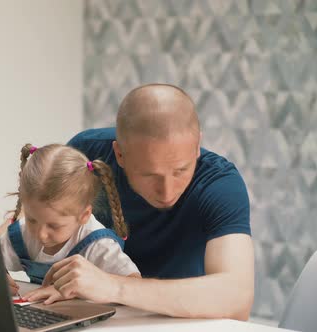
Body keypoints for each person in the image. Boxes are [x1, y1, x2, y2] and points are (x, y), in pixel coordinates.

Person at [36, 84, 254, 320]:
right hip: (94, 317)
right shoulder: (87, 153)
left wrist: (113, 286)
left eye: (181, 170)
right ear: (119, 154)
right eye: (149, 175)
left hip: (178, 323)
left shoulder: (220, 184)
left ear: (197, 146)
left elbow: (237, 300)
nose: (166, 191)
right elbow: (37, 219)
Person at [0, 143, 140, 304]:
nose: (41, 234)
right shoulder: (22, 233)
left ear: (84, 216)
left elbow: (135, 284)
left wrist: (76, 291)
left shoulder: (99, 245)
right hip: (43, 314)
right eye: (32, 220)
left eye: (54, 226)